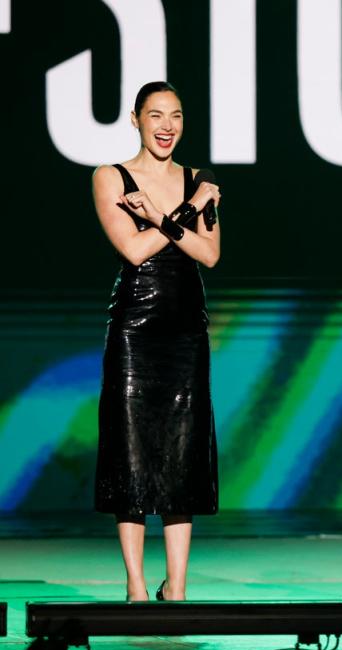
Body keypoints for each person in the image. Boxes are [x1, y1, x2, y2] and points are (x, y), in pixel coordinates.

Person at [92, 81, 221, 602]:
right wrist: (183, 214)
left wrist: (164, 215)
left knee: (182, 453)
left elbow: (210, 256)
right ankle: (138, 586)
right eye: (155, 115)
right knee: (133, 452)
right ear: (136, 119)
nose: (166, 125)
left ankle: (180, 587)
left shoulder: (199, 179)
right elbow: (135, 248)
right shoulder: (110, 177)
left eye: (176, 115)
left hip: (186, 328)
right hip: (136, 328)